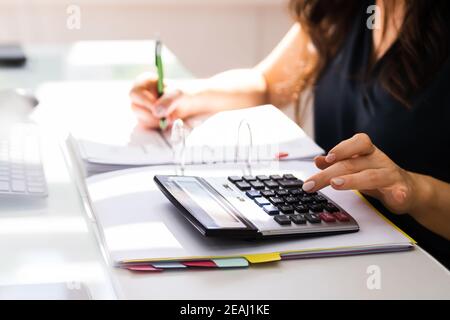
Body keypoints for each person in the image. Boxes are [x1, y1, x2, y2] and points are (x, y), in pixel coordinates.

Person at [129, 0, 450, 268]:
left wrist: (414, 190)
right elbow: (269, 83)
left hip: (424, 271)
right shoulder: (345, 9)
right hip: (338, 253)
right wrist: (186, 96)